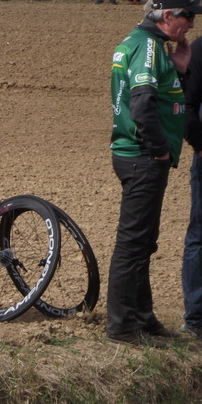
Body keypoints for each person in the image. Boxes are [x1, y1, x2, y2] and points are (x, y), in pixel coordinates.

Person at [106, 0, 201, 346]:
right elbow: (142, 101)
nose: (191, 25)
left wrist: (179, 69)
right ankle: (122, 326)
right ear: (166, 15)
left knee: (144, 242)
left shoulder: (141, 44)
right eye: (188, 17)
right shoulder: (146, 47)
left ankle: (143, 318)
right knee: (133, 244)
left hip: (134, 154)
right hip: (142, 157)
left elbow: (156, 94)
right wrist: (159, 148)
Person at [183, 34, 202, 340]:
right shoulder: (200, 49)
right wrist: (200, 145)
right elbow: (187, 104)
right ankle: (197, 320)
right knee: (200, 235)